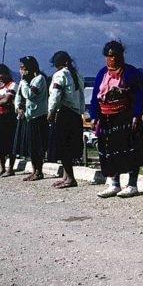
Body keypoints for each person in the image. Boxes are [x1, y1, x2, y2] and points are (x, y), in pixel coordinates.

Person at [90, 41, 143, 199]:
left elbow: (139, 95)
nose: (112, 59)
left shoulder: (131, 72)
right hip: (106, 117)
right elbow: (95, 95)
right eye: (108, 56)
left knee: (129, 150)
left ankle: (132, 184)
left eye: (115, 55)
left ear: (121, 55)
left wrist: (137, 114)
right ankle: (114, 183)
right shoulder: (102, 73)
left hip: (125, 116)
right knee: (110, 151)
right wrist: (94, 115)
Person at [47, 51, 85, 189]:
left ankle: (70, 179)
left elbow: (56, 95)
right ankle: (66, 176)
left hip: (63, 112)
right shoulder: (78, 76)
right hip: (75, 114)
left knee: (63, 147)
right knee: (70, 146)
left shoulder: (60, 75)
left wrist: (51, 110)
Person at [15, 56, 49, 182]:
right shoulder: (26, 81)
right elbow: (19, 96)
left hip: (37, 116)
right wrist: (18, 107)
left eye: (23, 67)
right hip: (27, 116)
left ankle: (39, 171)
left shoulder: (39, 79)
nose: (21, 70)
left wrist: (23, 80)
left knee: (37, 146)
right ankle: (34, 170)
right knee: (30, 146)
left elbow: (29, 94)